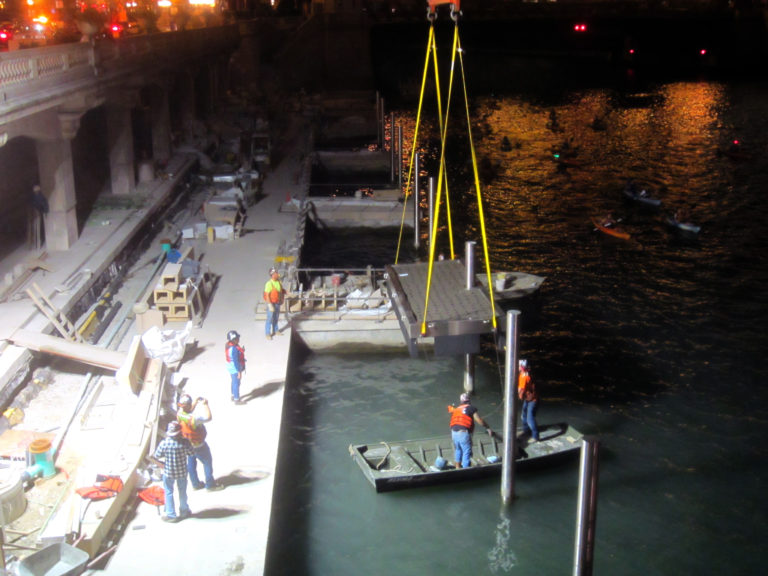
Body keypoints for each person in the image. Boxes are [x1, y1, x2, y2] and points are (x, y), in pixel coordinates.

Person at [176, 394, 223, 491]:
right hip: (199, 445)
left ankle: (195, 484)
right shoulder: (195, 419)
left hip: (188, 445)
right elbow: (208, 418)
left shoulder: (180, 413)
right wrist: (206, 405)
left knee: (191, 464)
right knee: (207, 463)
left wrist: (196, 402)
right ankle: (210, 485)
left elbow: (188, 409)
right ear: (188, 405)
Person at [151, 421, 194, 523]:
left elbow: (157, 456)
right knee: (182, 492)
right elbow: (191, 453)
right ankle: (184, 511)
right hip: (182, 472)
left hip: (168, 472)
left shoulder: (164, 443)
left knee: (169, 492)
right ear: (180, 432)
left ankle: (171, 514)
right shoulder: (185, 442)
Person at [446, 392, 493, 469]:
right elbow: (479, 420)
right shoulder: (470, 408)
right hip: (463, 432)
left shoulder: (457, 409)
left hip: (453, 432)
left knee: (458, 449)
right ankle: (465, 469)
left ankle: (457, 468)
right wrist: (488, 427)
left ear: (461, 401)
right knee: (466, 451)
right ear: (469, 401)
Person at [518, 359, 539, 442]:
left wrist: (518, 395)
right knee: (523, 416)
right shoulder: (523, 374)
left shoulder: (525, 377)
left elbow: (522, 390)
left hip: (532, 400)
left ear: (522, 367)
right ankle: (526, 431)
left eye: (519, 366)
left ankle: (535, 436)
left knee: (529, 418)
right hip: (528, 399)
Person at [263, 267, 286, 340]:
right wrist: (269, 305)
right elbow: (267, 295)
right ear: (272, 275)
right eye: (276, 273)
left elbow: (281, 290)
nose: (277, 274)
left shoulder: (278, 282)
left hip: (277, 302)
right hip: (271, 303)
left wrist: (287, 292)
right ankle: (267, 333)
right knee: (269, 318)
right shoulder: (269, 283)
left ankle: (276, 330)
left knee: (276, 317)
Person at [225, 330, 246, 404]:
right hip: (235, 368)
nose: (239, 339)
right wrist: (239, 372)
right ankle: (237, 399)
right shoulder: (234, 349)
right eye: (237, 338)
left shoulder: (228, 344)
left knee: (233, 381)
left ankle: (233, 395)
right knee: (237, 383)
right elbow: (236, 361)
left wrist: (241, 351)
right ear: (234, 340)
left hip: (230, 366)